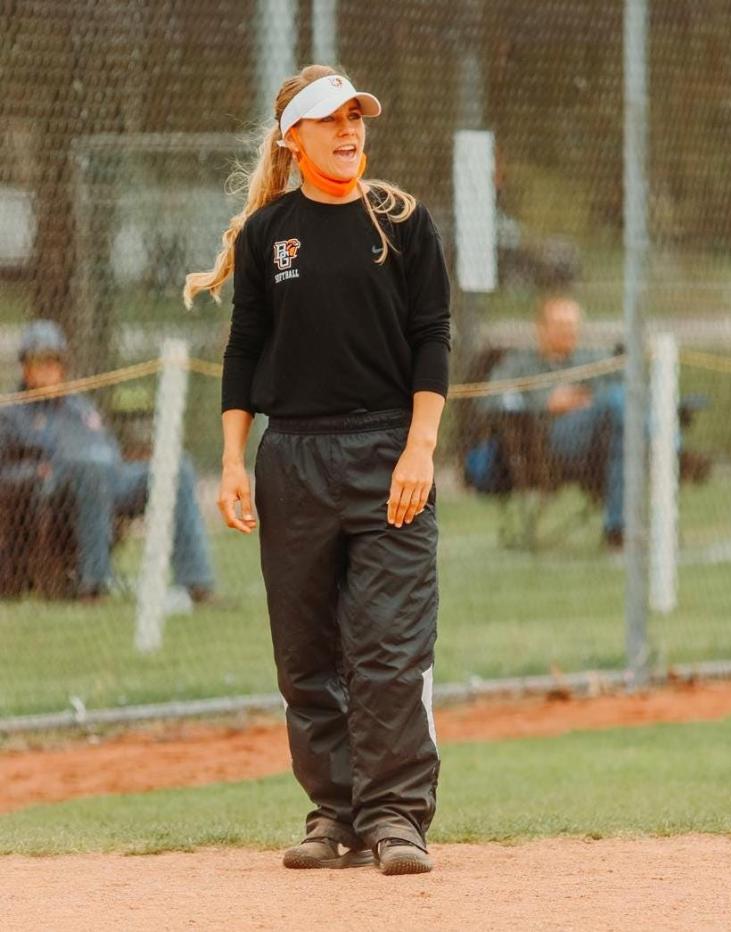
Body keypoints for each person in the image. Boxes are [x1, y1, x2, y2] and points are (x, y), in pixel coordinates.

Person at [184, 65, 450, 875]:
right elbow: (244, 351)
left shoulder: (400, 220)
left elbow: (433, 335)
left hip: (386, 454)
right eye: (328, 120)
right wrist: (232, 462)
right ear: (292, 138)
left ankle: (396, 818)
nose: (348, 131)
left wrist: (421, 445)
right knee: (307, 651)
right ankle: (334, 813)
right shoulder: (270, 234)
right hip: (292, 458)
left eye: (355, 118)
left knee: (389, 648)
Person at [0, 319, 214, 602]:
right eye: (39, 361)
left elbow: (108, 450)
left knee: (176, 467)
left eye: (53, 361)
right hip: (56, 493)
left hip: (112, 481)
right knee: (92, 471)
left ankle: (197, 582)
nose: (48, 369)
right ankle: (94, 585)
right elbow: (5, 476)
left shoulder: (80, 406)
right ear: (25, 367)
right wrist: (38, 472)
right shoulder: (12, 414)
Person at [480, 296, 625, 546]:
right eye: (560, 324)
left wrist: (586, 402)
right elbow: (489, 401)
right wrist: (545, 402)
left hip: (603, 442)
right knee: (615, 403)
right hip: (547, 444)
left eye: (572, 324)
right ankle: (665, 440)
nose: (567, 331)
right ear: (541, 328)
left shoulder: (592, 357)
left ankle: (618, 529)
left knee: (622, 422)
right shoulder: (520, 363)